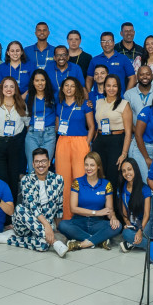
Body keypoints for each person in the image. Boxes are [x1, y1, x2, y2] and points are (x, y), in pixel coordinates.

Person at [0, 148, 68, 258]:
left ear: (49, 162)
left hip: (44, 226)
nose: (40, 164)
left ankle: (9, 239)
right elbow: (32, 206)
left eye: (43, 161)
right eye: (37, 161)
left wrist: (57, 228)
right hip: (26, 224)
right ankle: (54, 242)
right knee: (20, 208)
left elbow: (59, 205)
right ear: (33, 164)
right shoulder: (26, 180)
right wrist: (46, 226)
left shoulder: (58, 179)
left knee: (43, 245)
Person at [59, 152, 122, 251]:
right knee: (62, 225)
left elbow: (109, 209)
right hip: (79, 222)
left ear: (98, 167)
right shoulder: (77, 182)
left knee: (118, 226)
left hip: (97, 223)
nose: (89, 168)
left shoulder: (106, 184)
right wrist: (95, 212)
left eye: (92, 165)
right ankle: (99, 240)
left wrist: (113, 217)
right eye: (86, 165)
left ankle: (83, 243)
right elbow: (73, 209)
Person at [55, 77, 95, 219]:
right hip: (63, 142)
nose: (69, 88)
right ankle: (66, 217)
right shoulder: (59, 105)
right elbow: (57, 127)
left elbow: (91, 127)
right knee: (63, 180)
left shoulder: (85, 104)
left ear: (77, 88)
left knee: (80, 178)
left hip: (80, 143)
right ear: (62, 88)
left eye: (72, 86)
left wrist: (87, 143)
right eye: (66, 85)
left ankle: (83, 216)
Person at [93, 75, 133, 187]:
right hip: (100, 142)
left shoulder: (124, 104)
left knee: (112, 178)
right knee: (99, 176)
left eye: (114, 86)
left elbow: (128, 133)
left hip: (116, 142)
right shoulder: (99, 102)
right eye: (108, 85)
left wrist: (124, 154)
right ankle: (100, 204)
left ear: (119, 88)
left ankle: (112, 205)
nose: (111, 89)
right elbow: (98, 125)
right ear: (104, 87)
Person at [25, 69, 57, 172]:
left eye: (42, 80)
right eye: (37, 80)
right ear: (33, 82)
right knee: (32, 167)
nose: (40, 83)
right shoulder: (29, 96)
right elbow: (18, 104)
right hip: (32, 134)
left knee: (44, 166)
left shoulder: (54, 96)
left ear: (46, 81)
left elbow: (59, 113)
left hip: (49, 133)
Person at [116, 158, 151, 252]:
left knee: (146, 231)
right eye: (124, 171)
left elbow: (147, 214)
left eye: (129, 169)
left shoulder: (145, 189)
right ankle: (149, 245)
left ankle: (132, 243)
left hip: (144, 225)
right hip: (133, 225)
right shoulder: (121, 188)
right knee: (126, 233)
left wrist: (140, 231)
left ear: (135, 169)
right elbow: (124, 212)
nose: (127, 173)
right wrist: (128, 224)